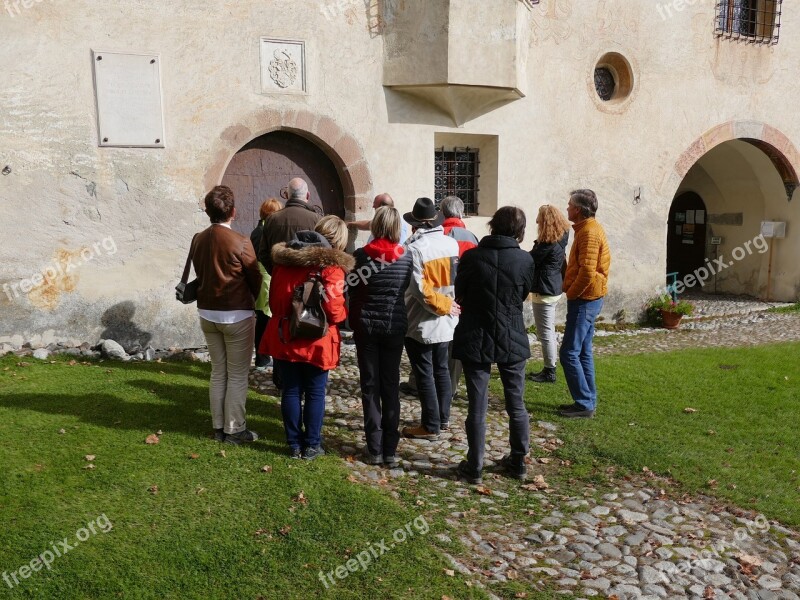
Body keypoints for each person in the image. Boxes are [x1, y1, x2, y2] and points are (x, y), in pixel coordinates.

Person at [453, 206, 535, 484]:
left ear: (492, 226)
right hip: (510, 333)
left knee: (477, 404)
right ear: (519, 231)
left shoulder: (472, 257)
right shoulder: (524, 260)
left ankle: (475, 465)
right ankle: (518, 460)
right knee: (516, 402)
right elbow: (523, 293)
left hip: (477, 331)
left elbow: (460, 292)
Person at [260, 216, 354, 459]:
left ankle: (293, 444)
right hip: (316, 339)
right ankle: (311, 445)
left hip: (286, 334)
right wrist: (345, 312)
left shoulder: (283, 263)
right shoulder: (331, 268)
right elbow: (334, 310)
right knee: (314, 392)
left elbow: (275, 301)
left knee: (290, 391)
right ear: (339, 242)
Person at [191, 185, 262, 445]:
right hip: (236, 314)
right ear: (233, 211)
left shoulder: (198, 238)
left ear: (209, 211)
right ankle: (235, 429)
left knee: (218, 371)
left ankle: (219, 426)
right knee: (237, 373)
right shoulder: (241, 241)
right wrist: (251, 299)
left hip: (207, 312)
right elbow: (255, 277)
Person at [349, 206, 413, 468]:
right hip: (393, 324)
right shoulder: (406, 257)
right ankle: (390, 449)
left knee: (370, 385)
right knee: (391, 385)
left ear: (375, 226)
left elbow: (351, 286)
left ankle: (375, 447)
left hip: (366, 325)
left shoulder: (362, 256)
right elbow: (405, 286)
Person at [401, 197, 461, 440]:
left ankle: (430, 425)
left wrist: (444, 305)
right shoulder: (451, 244)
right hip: (447, 318)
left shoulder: (415, 249)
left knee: (425, 373)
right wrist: (449, 306)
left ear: (416, 225)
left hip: (422, 321)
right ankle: (443, 418)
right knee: (442, 370)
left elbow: (420, 291)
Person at [559, 189, 611, 419]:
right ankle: (587, 400)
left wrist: (571, 293)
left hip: (585, 298)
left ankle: (584, 402)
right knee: (582, 352)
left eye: (570, 205)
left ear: (578, 210)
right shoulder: (586, 229)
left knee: (569, 352)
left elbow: (588, 272)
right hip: (589, 297)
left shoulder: (589, 232)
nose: (567, 208)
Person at [440, 195, 479, 401]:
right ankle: (451, 387)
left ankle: (429, 384)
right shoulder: (472, 237)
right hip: (463, 296)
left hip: (439, 295)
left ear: (442, 212)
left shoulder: (439, 234)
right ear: (461, 212)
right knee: (455, 343)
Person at [528, 204, 571, 383]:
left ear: (546, 221)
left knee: (545, 333)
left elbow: (530, 259)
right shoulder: (561, 238)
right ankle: (549, 368)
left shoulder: (547, 244)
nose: (536, 221)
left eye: (539, 218)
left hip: (545, 290)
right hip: (552, 287)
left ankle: (550, 370)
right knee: (547, 331)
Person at [257, 177, 321, 274]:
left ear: (287, 195)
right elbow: (323, 252)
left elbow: (263, 254)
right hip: (308, 283)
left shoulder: (272, 219)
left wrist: (276, 272)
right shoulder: (317, 220)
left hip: (280, 282)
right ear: (308, 195)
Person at [250, 198, 282, 370]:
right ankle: (262, 357)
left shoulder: (260, 229)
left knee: (264, 317)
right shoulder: (263, 231)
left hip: (263, 278)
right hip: (265, 278)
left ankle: (263, 356)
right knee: (264, 318)